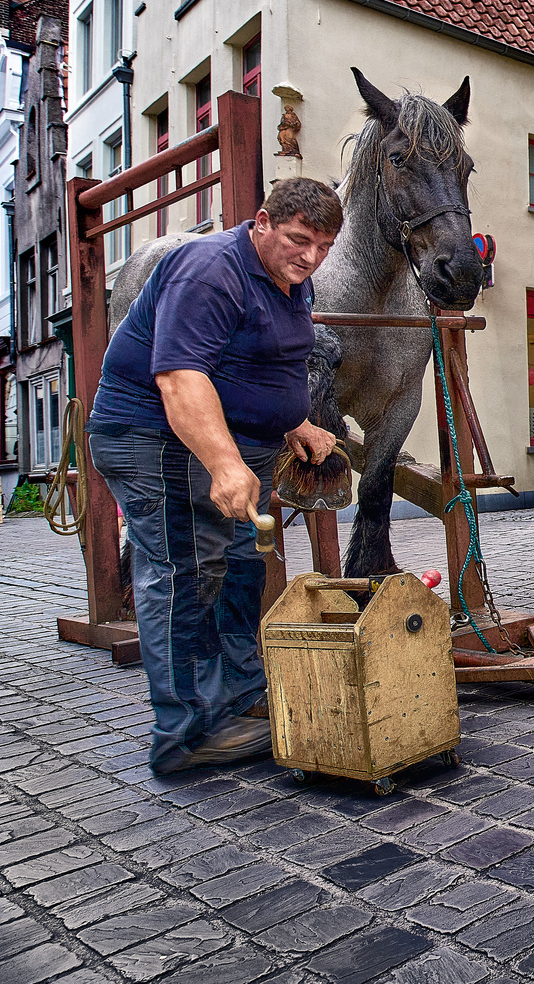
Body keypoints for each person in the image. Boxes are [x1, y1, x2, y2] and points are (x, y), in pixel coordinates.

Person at [88, 178, 343, 775]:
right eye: (298, 240)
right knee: (184, 572)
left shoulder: (287, 282)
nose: (310, 257)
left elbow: (254, 362)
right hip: (157, 437)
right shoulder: (209, 271)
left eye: (324, 246)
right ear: (261, 222)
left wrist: (295, 422)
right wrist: (225, 465)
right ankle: (185, 734)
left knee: (242, 566)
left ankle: (239, 699)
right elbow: (181, 377)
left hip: (230, 440)